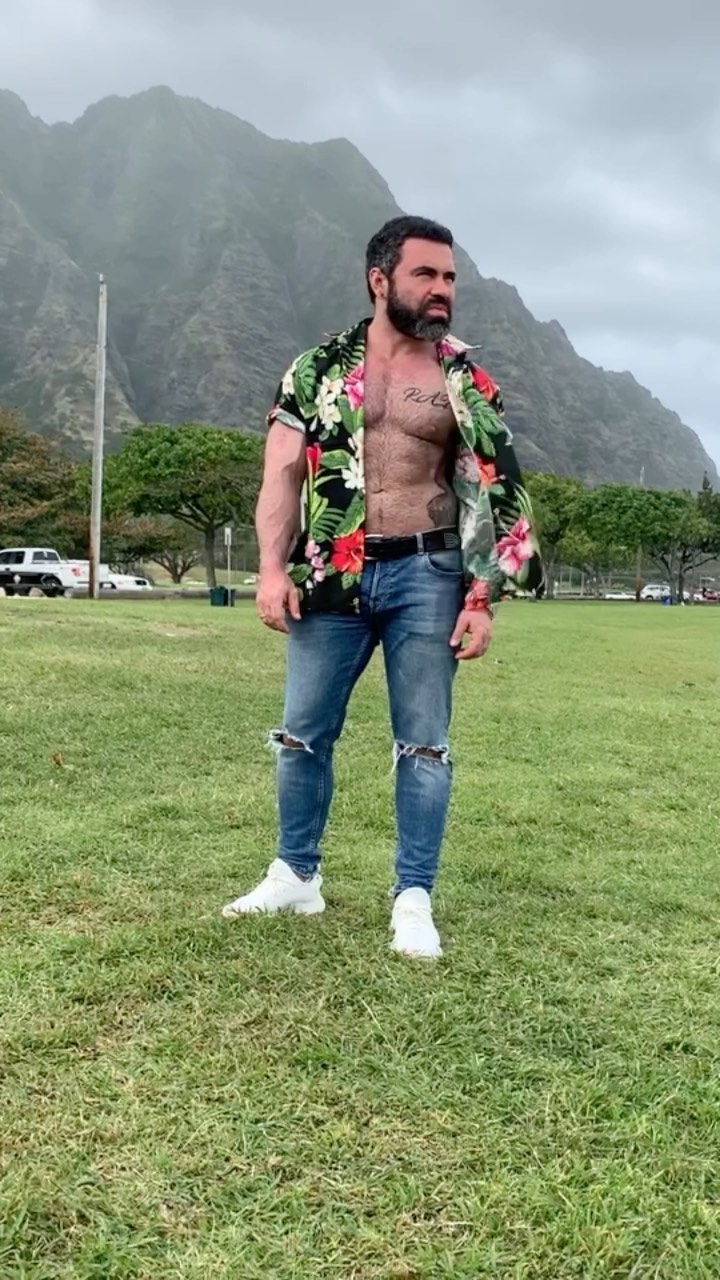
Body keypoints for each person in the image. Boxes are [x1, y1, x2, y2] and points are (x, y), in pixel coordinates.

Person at [222, 215, 543, 958]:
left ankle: (413, 898)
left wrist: (482, 596)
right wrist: (269, 569)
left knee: (424, 744)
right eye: (425, 274)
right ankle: (296, 875)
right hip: (332, 572)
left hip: (429, 572)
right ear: (380, 280)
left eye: (449, 277)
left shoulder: (466, 381)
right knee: (302, 733)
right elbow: (281, 474)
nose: (442, 290)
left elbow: (493, 490)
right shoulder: (316, 370)